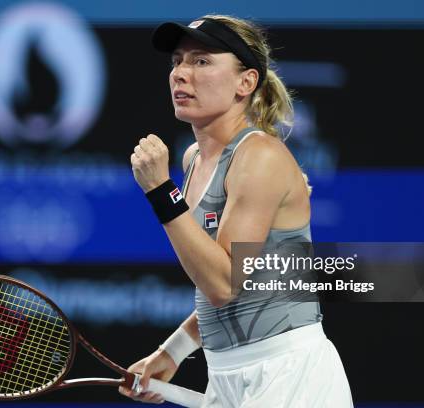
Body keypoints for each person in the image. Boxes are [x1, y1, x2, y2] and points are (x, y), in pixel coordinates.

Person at [120, 14, 353, 407]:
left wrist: (162, 193)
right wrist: (171, 352)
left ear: (246, 82)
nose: (181, 73)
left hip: (289, 373)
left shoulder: (260, 156)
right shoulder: (195, 157)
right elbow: (248, 281)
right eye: (177, 60)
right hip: (226, 374)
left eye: (202, 61)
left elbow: (224, 284)